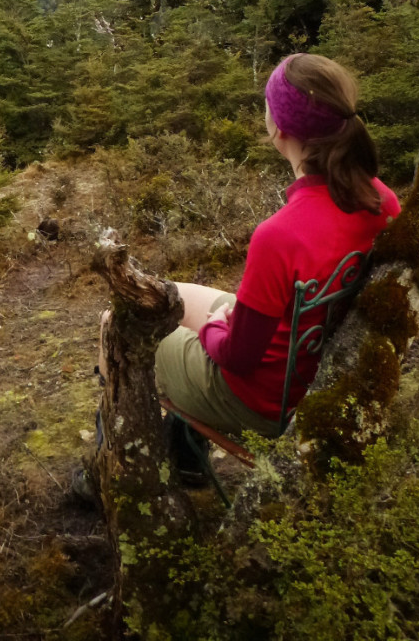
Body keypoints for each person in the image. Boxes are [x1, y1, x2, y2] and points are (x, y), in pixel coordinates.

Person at [100, 52, 401, 440]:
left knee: (115, 323)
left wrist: (212, 329)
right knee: (173, 295)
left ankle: (119, 458)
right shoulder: (382, 201)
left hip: (262, 401)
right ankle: (184, 451)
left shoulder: (279, 236)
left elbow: (237, 359)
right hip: (312, 369)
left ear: (279, 131)